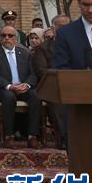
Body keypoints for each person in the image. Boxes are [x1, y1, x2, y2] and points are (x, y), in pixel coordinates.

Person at [0, 26, 41, 148]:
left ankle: (32, 136)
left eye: (10, 36)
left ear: (15, 38)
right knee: (9, 96)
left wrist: (26, 85)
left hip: (23, 87)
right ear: (0, 38)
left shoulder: (25, 53)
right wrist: (10, 86)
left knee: (35, 95)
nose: (6, 38)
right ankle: (9, 136)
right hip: (3, 89)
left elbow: (33, 74)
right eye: (3, 35)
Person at [31, 14, 70, 149]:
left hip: (75, 84)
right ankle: (64, 138)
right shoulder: (43, 48)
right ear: (54, 28)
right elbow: (41, 70)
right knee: (57, 101)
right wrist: (60, 78)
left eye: (67, 26)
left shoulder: (78, 45)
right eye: (61, 26)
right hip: (52, 86)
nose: (65, 29)